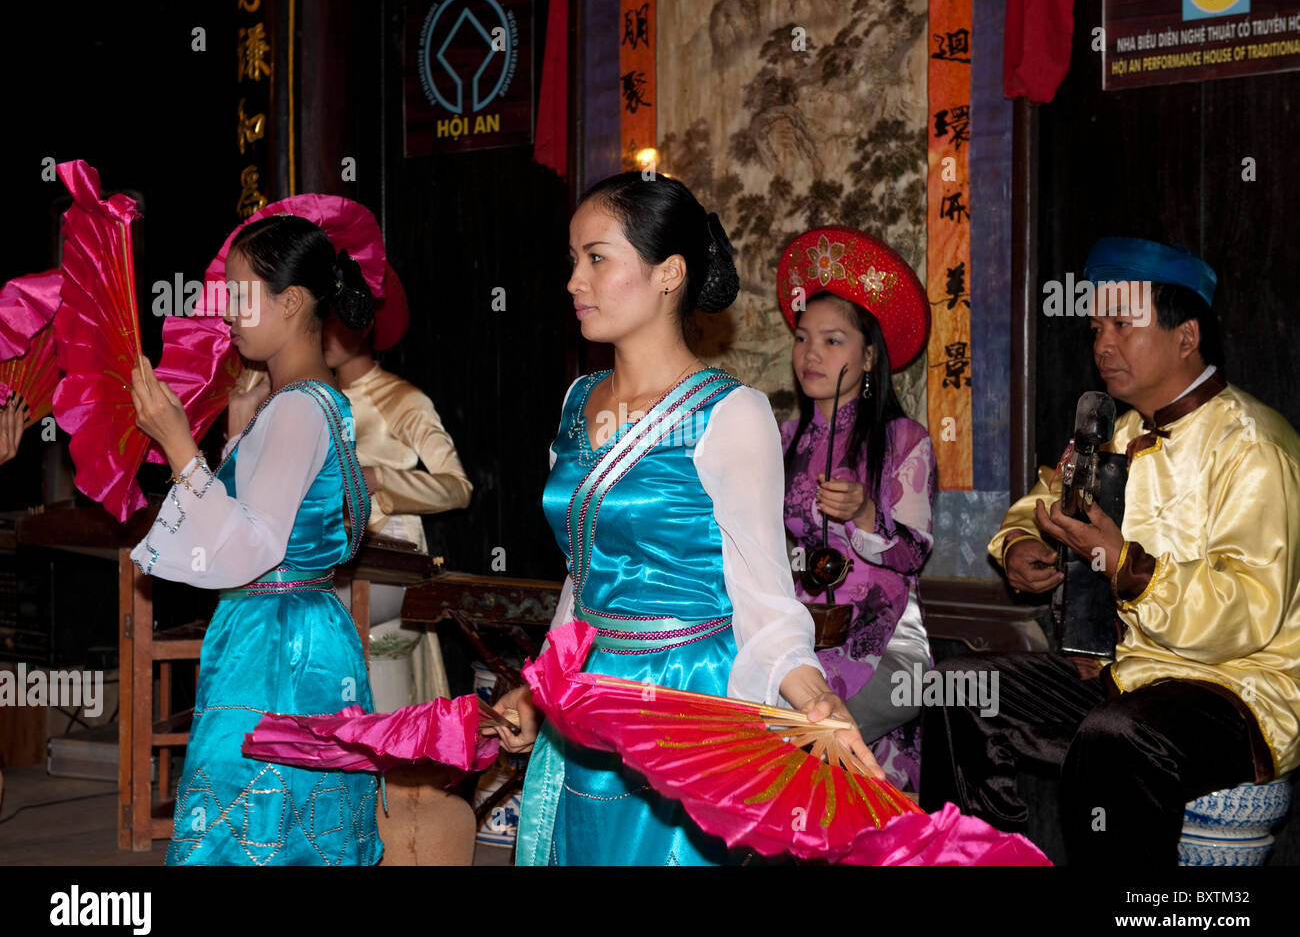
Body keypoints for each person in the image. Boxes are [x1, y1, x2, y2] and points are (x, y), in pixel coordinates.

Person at [488, 172, 882, 866]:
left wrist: (814, 696)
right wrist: (539, 684)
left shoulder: (730, 413)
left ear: (668, 273)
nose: (575, 281)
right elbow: (584, 581)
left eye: (597, 258)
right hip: (589, 700)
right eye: (573, 261)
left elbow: (761, 598)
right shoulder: (578, 401)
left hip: (684, 704)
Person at [919, 237, 1300, 865]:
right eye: (1097, 326)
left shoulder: (1252, 446)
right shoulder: (1116, 431)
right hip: (1124, 676)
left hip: (1236, 689)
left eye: (1124, 324)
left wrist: (1127, 567)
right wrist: (1020, 544)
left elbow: (1249, 612)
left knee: (1118, 735)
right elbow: (1042, 501)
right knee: (961, 690)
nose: (1103, 345)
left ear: (1186, 336)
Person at [129, 214, 384, 865]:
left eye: (241, 294)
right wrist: (240, 437)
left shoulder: (298, 408)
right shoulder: (308, 402)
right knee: (290, 822)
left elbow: (252, 547)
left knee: (251, 828)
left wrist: (177, 440)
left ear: (292, 301)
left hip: (277, 648)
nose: (227, 313)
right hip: (293, 628)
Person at [775, 227, 936, 792]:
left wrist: (867, 513)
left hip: (887, 644)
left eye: (832, 340)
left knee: (802, 735)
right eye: (802, 338)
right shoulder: (778, 439)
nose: (810, 354)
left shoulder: (903, 440)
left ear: (869, 357)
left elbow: (915, 554)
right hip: (799, 641)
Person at [323, 283, 473, 625]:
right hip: (329, 552)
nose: (323, 332)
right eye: (320, 319)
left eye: (336, 319)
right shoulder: (314, 397)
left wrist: (380, 478)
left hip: (388, 555)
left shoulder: (402, 399)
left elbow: (459, 488)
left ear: (364, 323)